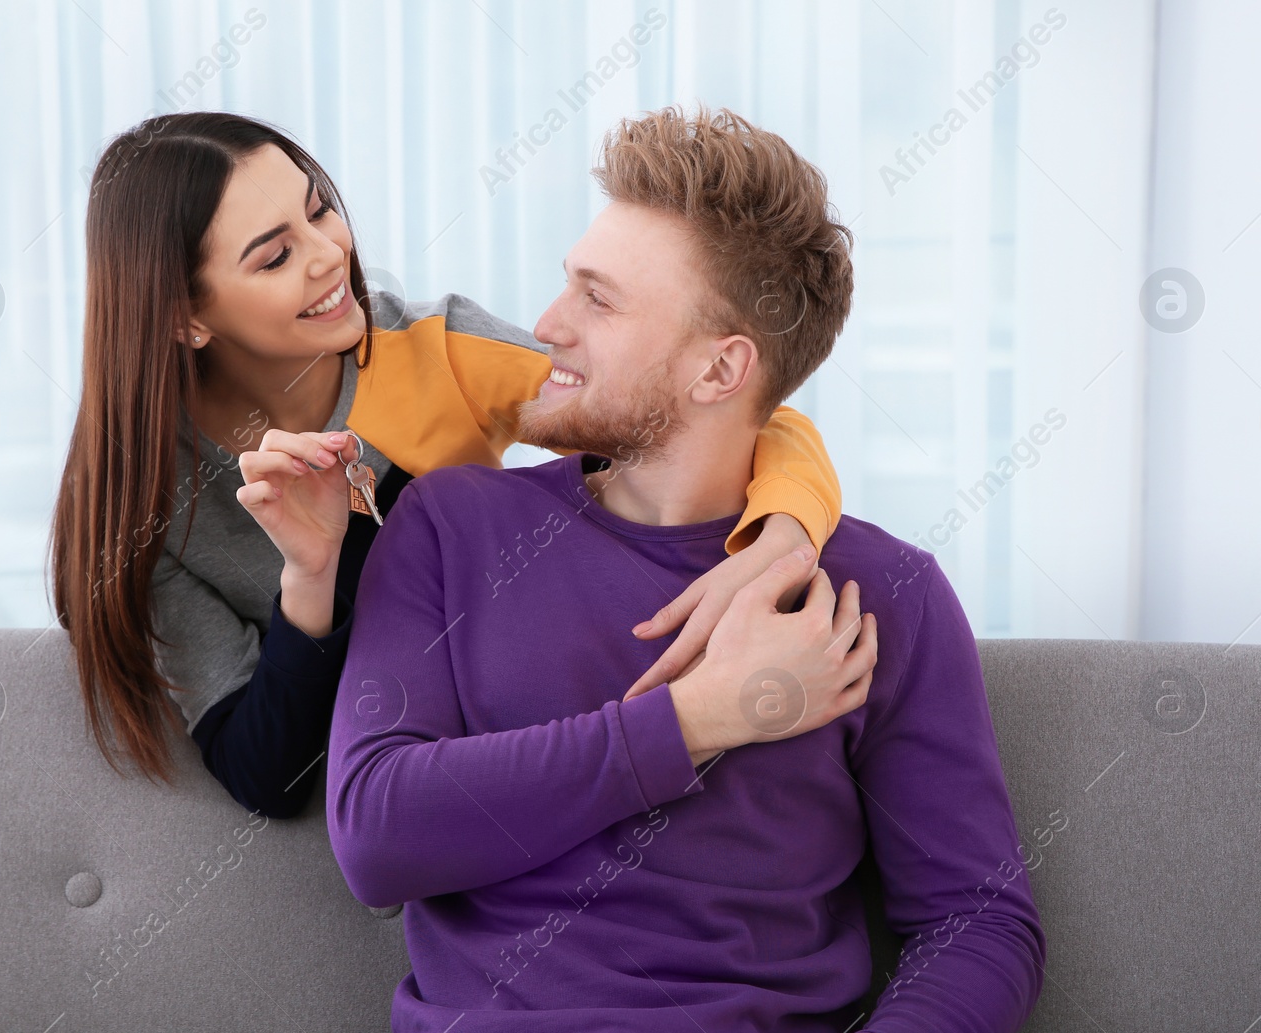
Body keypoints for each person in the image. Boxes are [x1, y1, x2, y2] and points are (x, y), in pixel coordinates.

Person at [326, 105, 1045, 1033]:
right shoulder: (450, 526)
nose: (547, 325)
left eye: (599, 298)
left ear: (720, 371)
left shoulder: (879, 594)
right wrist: (697, 718)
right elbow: (377, 837)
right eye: (567, 285)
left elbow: (977, 920)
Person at [46, 111, 846, 816]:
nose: (330, 254)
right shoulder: (140, 508)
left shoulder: (438, 351)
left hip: (547, 722)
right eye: (274, 255)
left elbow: (707, 401)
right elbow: (271, 773)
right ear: (186, 318)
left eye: (320, 209)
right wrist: (309, 580)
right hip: (414, 783)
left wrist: (786, 529)